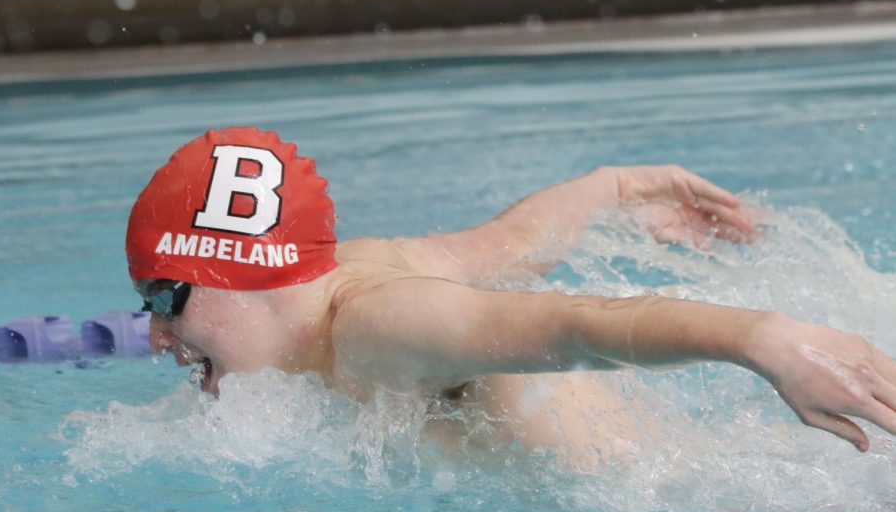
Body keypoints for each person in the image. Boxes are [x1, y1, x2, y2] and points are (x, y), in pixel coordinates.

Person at [127, 126, 896, 467]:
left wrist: (763, 339)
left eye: (164, 300)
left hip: (722, 508)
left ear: (241, 274)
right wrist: (613, 187)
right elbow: (504, 248)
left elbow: (575, 325)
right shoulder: (351, 267)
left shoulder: (380, 327)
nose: (158, 337)